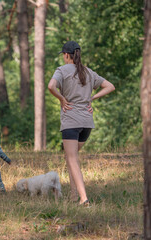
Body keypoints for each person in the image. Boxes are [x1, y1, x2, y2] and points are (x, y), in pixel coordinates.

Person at [48, 41, 115, 205]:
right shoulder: (88, 72)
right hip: (86, 123)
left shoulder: (62, 70)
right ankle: (73, 196)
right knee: (72, 158)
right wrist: (91, 98)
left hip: (71, 120)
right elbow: (110, 86)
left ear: (66, 55)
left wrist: (62, 99)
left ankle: (84, 198)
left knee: (71, 158)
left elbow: (51, 86)